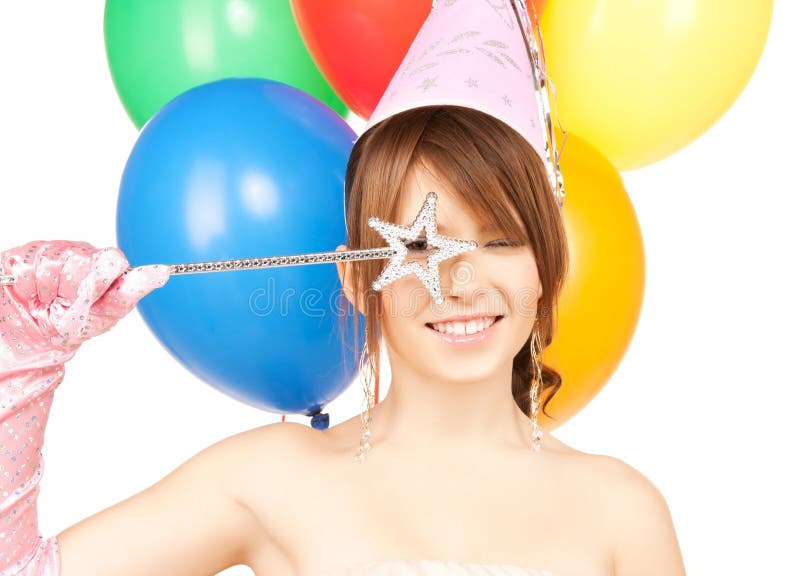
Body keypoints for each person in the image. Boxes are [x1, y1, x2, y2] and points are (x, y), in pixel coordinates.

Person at [0, 2, 686, 575]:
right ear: (359, 276)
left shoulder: (623, 512)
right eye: (419, 242)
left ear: (548, 267)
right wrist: (20, 364)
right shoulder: (270, 478)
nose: (461, 280)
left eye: (500, 238)